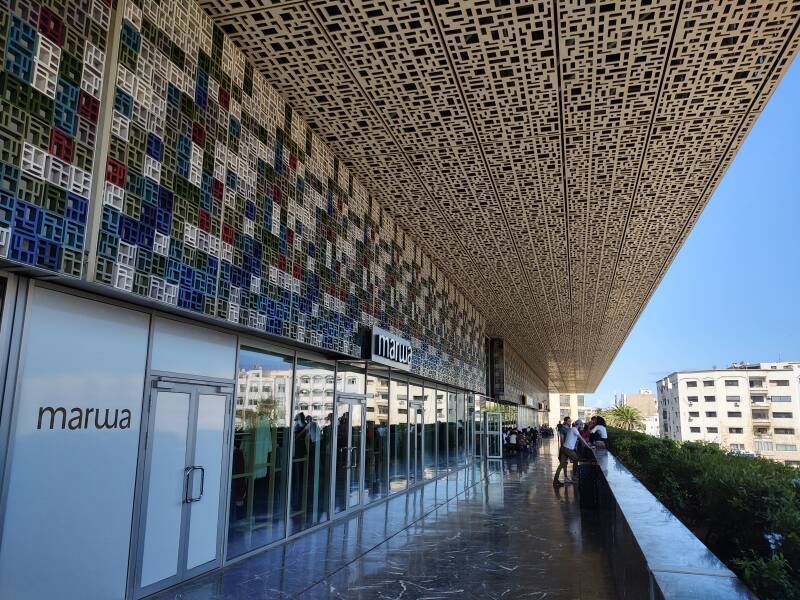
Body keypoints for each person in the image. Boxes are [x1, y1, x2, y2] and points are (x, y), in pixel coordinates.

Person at [553, 418, 591, 486]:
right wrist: (588, 446)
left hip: (564, 448)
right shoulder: (575, 429)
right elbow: (581, 439)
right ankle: (574, 476)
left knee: (561, 465)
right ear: (579, 424)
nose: (582, 426)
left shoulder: (571, 429)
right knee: (576, 459)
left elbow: (572, 438)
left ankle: (555, 480)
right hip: (568, 449)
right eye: (581, 425)